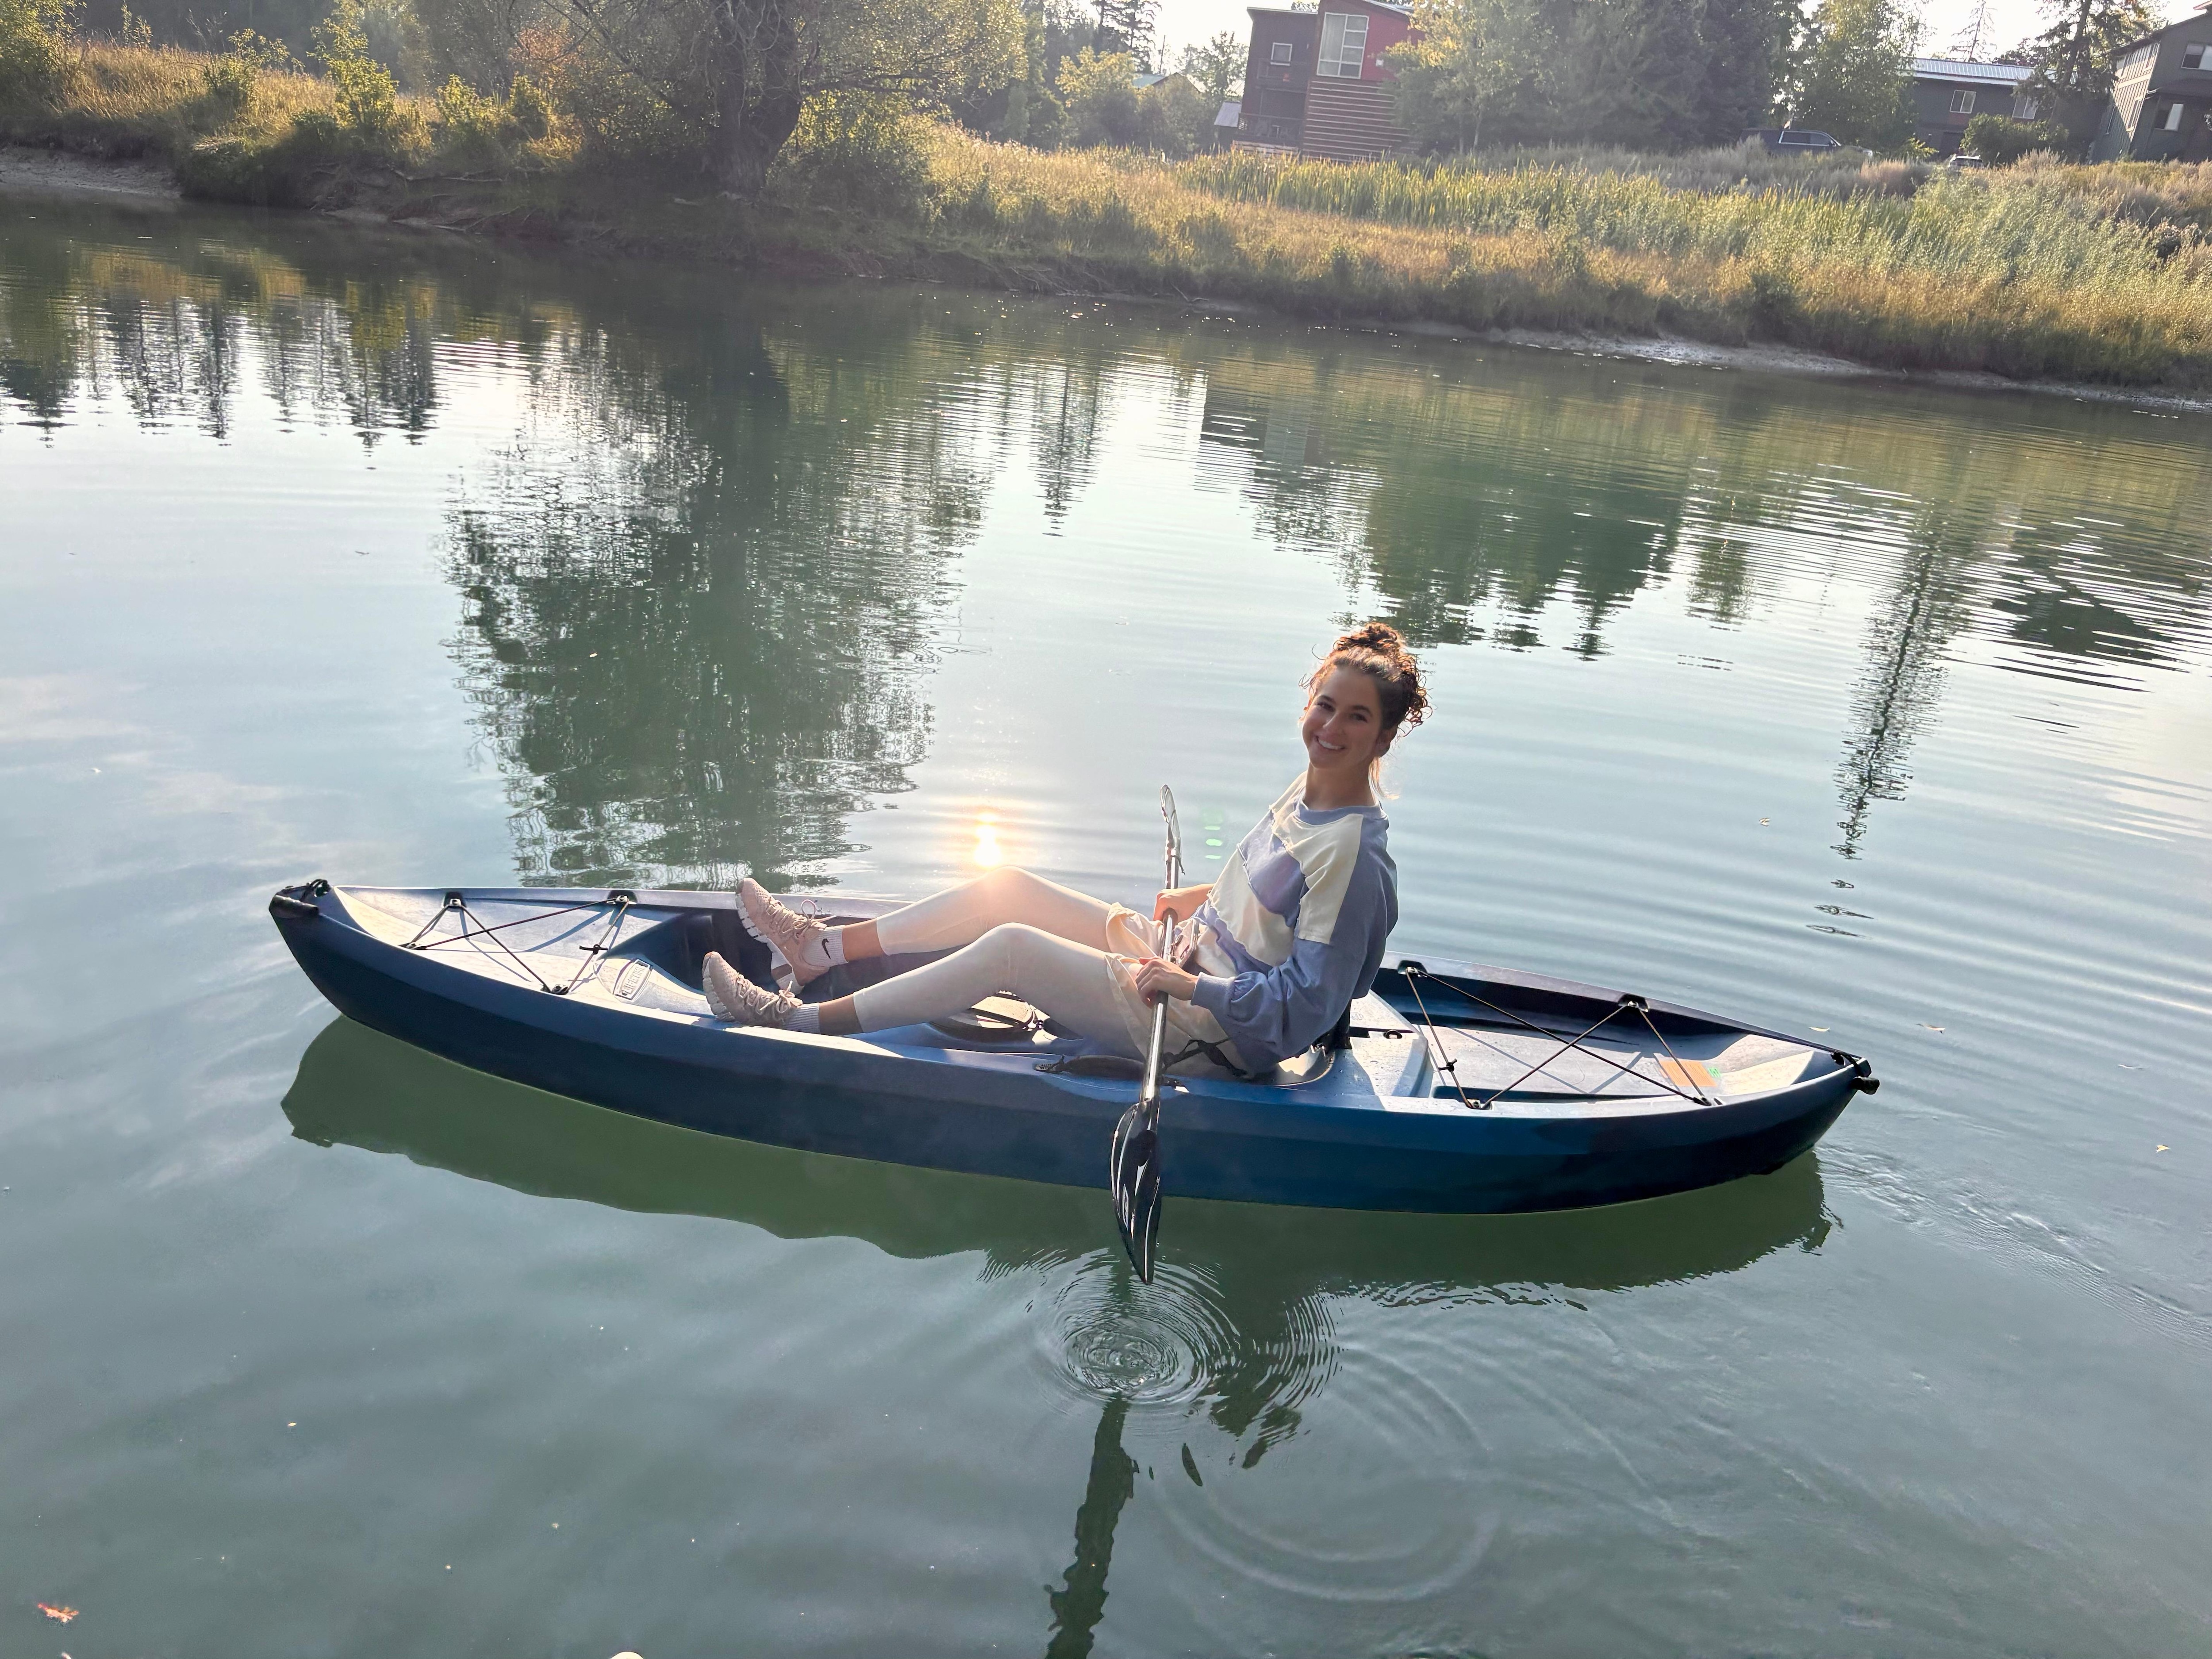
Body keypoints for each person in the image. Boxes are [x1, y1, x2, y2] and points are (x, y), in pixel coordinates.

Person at [700, 622, 1429, 1074]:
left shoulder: (1355, 858)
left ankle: (791, 1022)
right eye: (1325, 704)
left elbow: (1304, 1007)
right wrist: (1200, 897)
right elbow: (1274, 906)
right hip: (1179, 954)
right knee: (1006, 884)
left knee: (1012, 945)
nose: (1331, 726)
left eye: (1356, 717)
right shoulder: (1312, 792)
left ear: (1385, 736)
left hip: (1211, 1031)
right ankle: (818, 950)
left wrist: (1190, 988)